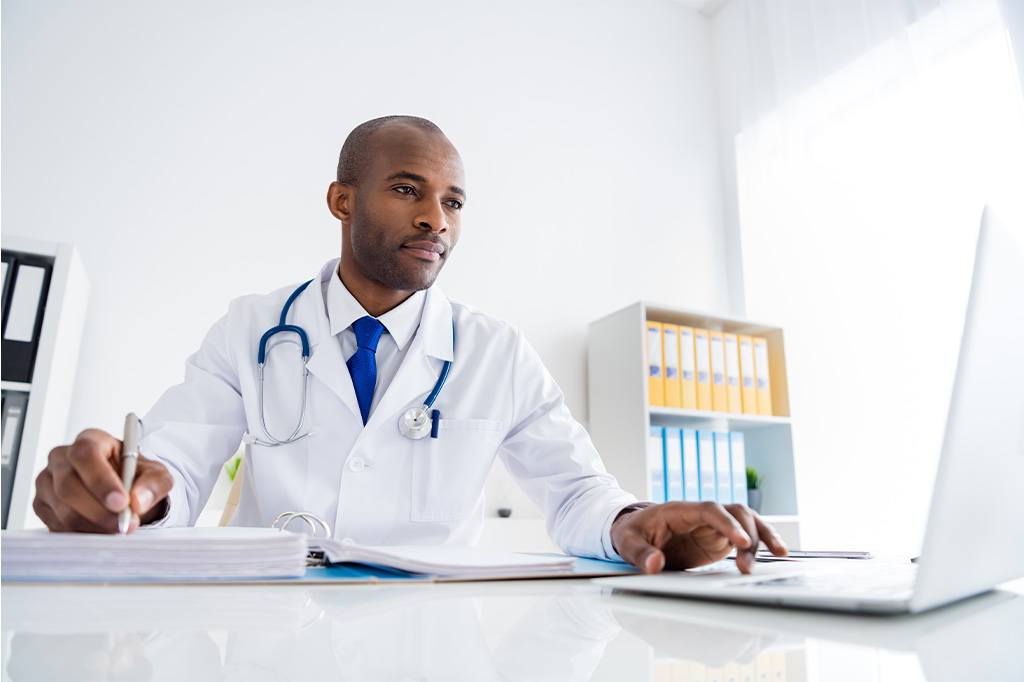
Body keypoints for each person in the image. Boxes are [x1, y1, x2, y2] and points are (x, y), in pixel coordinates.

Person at [33, 115, 787, 574]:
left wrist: (632, 524)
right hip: (271, 635)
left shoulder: (496, 352)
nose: (437, 219)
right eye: (406, 189)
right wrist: (130, 494)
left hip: (428, 638)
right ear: (342, 200)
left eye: (452, 200)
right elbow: (179, 466)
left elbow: (578, 491)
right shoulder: (254, 327)